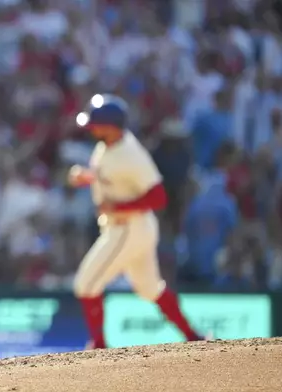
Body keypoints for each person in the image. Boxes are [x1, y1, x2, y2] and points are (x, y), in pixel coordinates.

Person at [68, 94, 204, 349]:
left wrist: (120, 207)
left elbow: (158, 197)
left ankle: (98, 345)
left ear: (111, 126)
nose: (91, 127)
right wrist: (88, 178)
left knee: (85, 284)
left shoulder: (130, 154)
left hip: (128, 228)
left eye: (95, 123)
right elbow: (111, 177)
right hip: (134, 228)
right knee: (150, 289)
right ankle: (193, 336)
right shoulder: (108, 144)